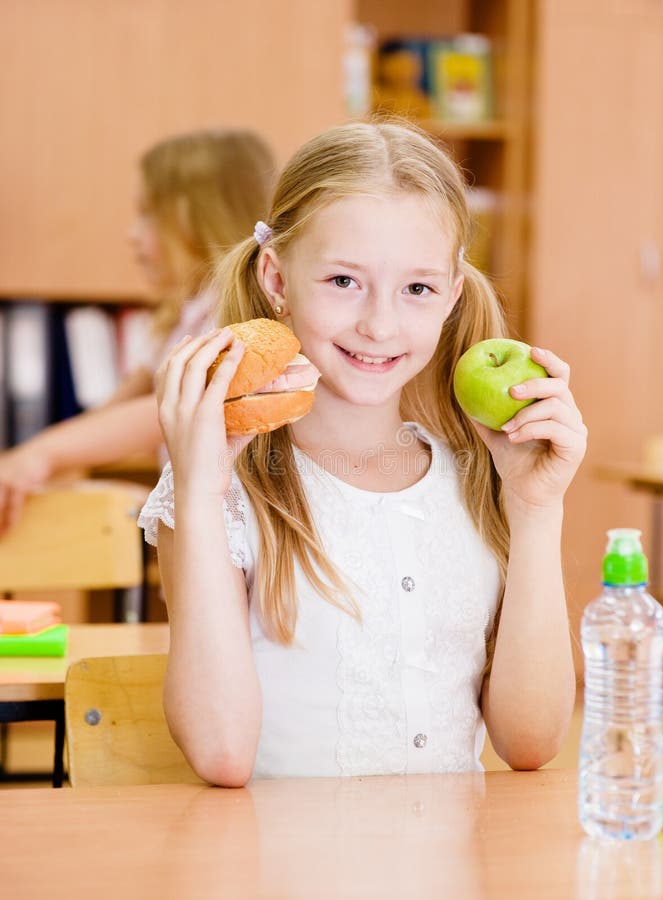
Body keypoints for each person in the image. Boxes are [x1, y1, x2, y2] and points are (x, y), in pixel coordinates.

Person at [139, 121, 588, 786]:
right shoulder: (217, 491)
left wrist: (535, 507)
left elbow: (531, 741)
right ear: (276, 278)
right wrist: (202, 495)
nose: (380, 324)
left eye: (417, 289)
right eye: (343, 281)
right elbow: (220, 753)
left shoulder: (481, 478)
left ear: (451, 297)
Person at [0, 129, 275, 533]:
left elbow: (168, 409)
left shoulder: (235, 308)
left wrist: (44, 455)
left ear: (196, 218)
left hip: (234, 527)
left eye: (148, 215)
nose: (132, 235)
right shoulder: (181, 317)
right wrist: (37, 458)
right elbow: (117, 410)